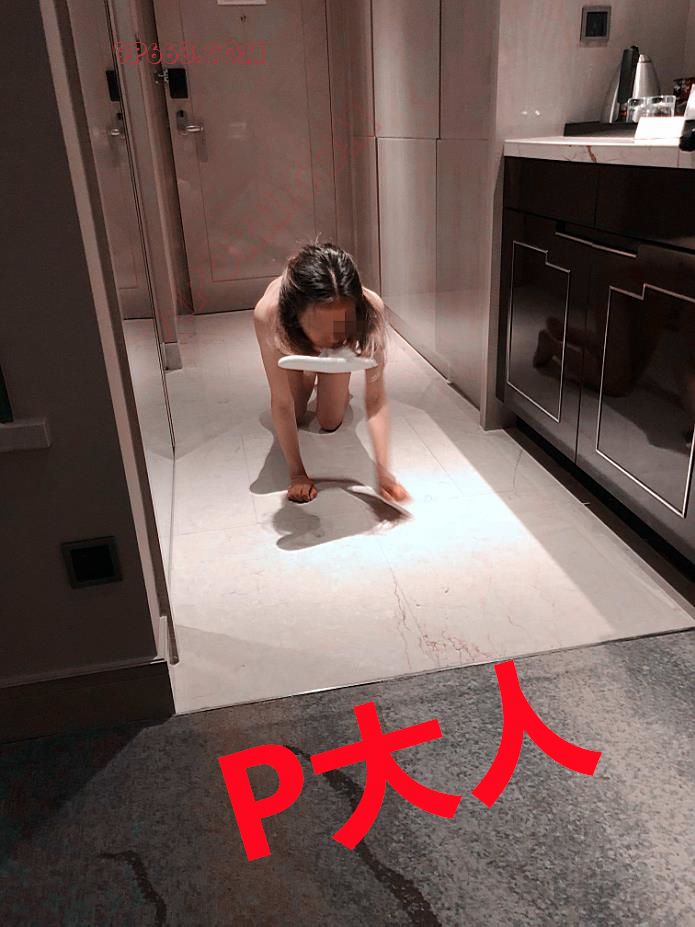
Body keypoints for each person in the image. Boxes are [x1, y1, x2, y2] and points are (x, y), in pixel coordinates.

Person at [253, 240, 410, 505]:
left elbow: (376, 399)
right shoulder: (269, 314)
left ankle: (321, 370)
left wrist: (384, 472)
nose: (332, 337)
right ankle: (308, 371)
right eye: (321, 328)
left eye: (342, 324)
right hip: (293, 341)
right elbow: (281, 403)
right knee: (296, 412)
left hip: (333, 350)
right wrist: (297, 474)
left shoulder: (371, 308)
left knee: (330, 420)